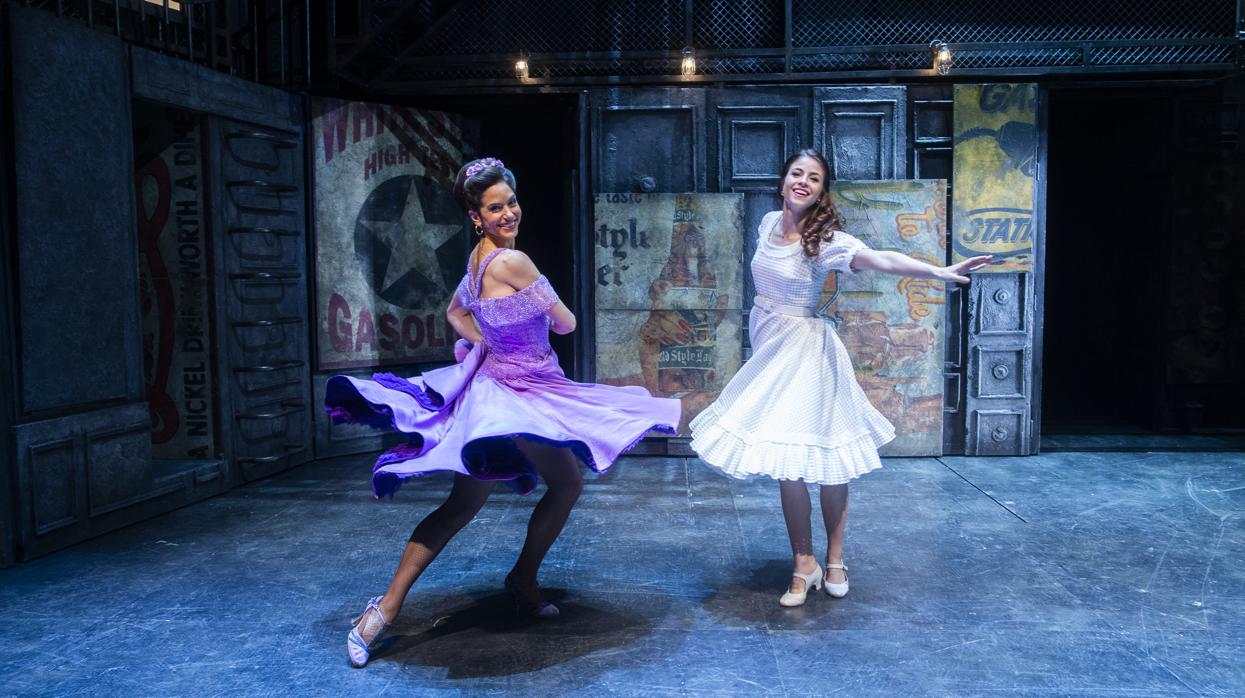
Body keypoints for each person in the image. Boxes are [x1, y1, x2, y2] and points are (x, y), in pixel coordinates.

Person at [325, 157, 680, 667]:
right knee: (562, 485)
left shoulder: (476, 262)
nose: (509, 213)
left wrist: (485, 342)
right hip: (522, 393)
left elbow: (455, 313)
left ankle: (386, 610)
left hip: (495, 389)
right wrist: (510, 325)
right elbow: (566, 325)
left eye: (511, 202)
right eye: (496, 207)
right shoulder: (514, 263)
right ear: (477, 215)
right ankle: (519, 580)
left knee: (463, 506)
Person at [689, 149, 990, 607]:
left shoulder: (824, 239)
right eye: (797, 174)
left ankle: (834, 558)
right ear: (784, 179)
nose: (803, 182)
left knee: (827, 462)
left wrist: (935, 271)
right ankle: (802, 563)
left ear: (821, 191)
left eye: (813, 178)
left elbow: (880, 259)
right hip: (770, 349)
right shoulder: (767, 223)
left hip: (808, 352)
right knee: (788, 466)